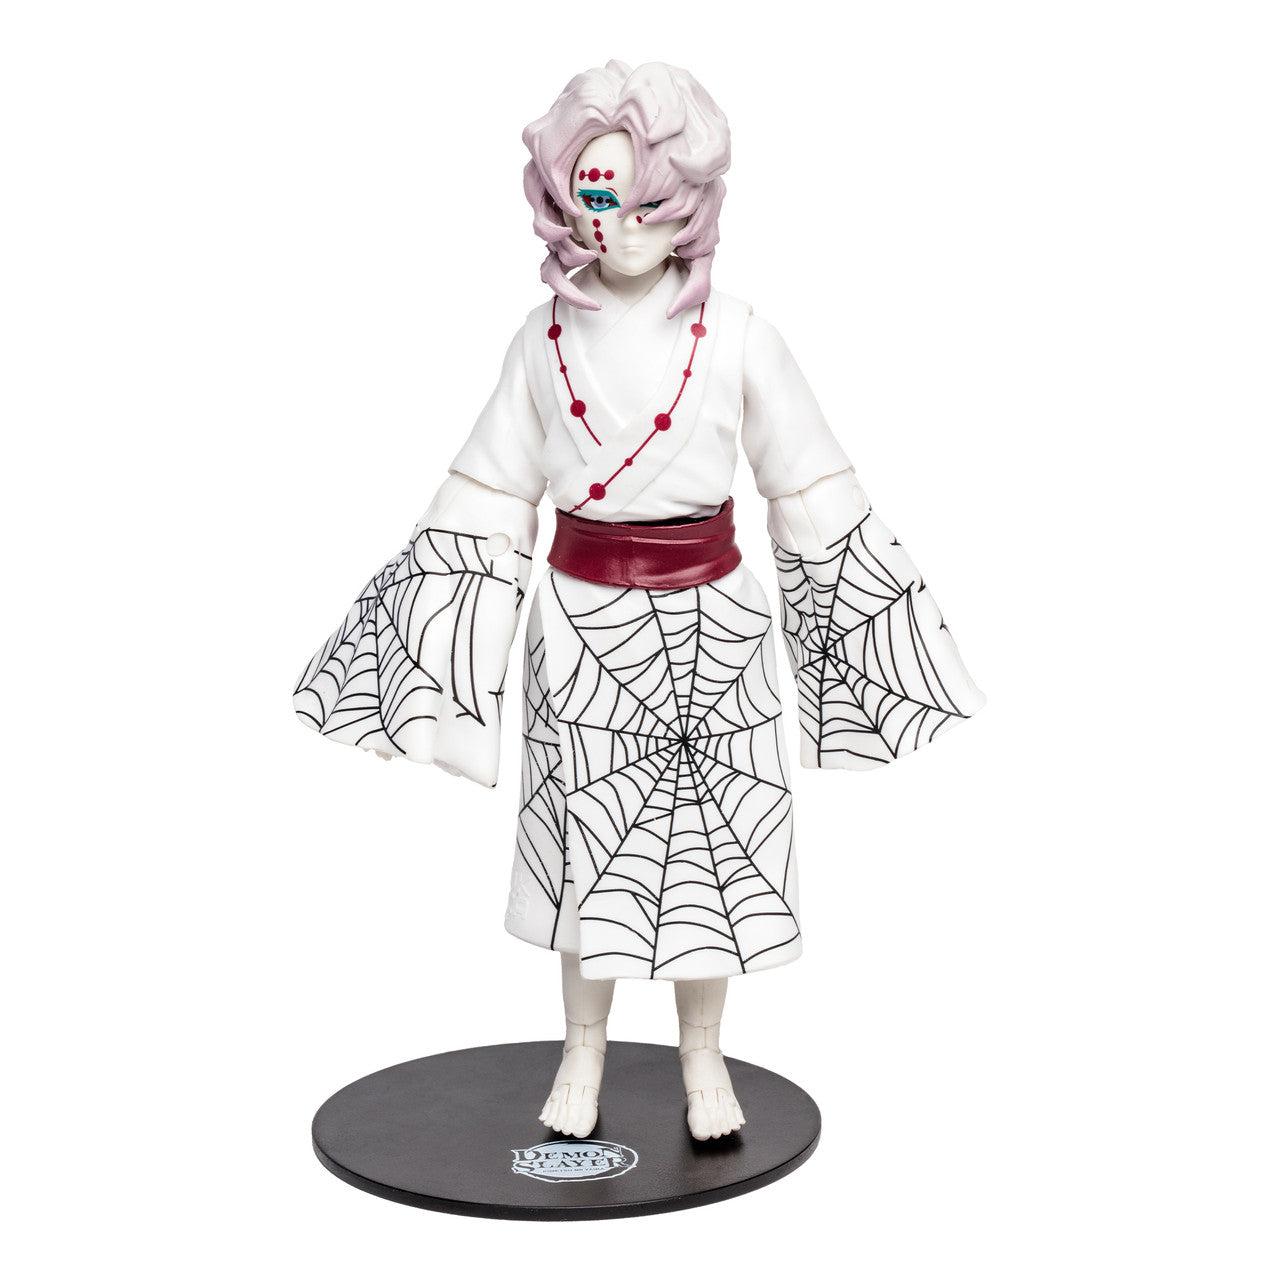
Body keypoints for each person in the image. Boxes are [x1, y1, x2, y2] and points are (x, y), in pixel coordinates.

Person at [294, 60, 984, 1142]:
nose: (620, 227)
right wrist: (427, 641)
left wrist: (870, 622)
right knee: (586, 859)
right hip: (579, 626)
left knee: (707, 858)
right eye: (596, 198)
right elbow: (488, 491)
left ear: (692, 202)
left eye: (649, 201)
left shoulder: (740, 335)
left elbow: (807, 481)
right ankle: (582, 1049)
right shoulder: (541, 342)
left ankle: (705, 1055)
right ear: (562, 201)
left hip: (717, 625)